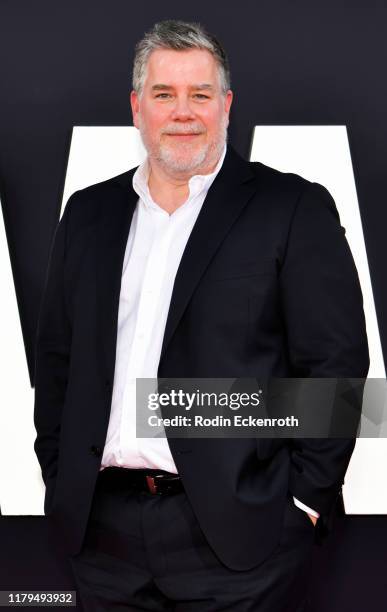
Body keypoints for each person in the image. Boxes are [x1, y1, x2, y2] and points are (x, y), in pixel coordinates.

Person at [33, 19, 369, 611]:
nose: (182, 111)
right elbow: (58, 365)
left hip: (238, 542)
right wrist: (59, 481)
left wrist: (304, 503)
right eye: (164, 94)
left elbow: (335, 370)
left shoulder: (291, 207)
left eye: (200, 94)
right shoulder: (87, 215)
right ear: (138, 107)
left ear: (227, 105)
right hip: (100, 541)